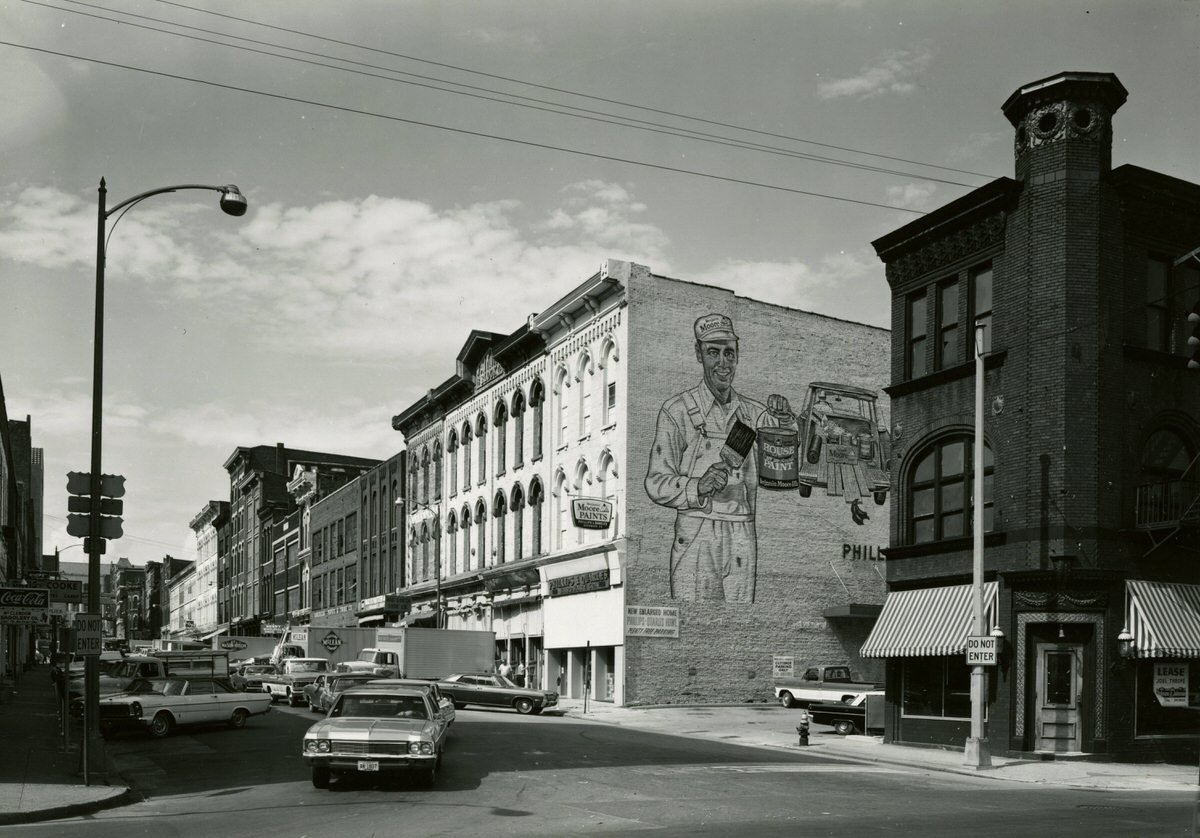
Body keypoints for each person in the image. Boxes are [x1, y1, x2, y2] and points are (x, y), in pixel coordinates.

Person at [645, 314, 770, 603]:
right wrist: (697, 486)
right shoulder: (676, 411)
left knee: (741, 622)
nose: (723, 363)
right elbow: (655, 482)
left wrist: (785, 421)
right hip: (696, 529)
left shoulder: (756, 414)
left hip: (742, 531)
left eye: (729, 353)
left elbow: (785, 458)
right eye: (713, 352)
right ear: (698, 353)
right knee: (693, 619)